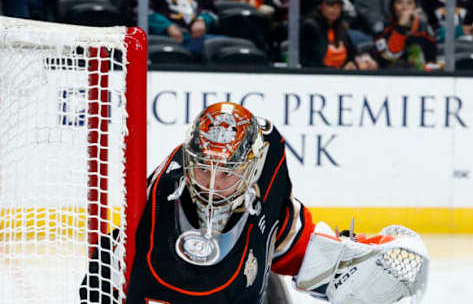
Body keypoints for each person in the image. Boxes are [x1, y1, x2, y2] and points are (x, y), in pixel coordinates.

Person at [80, 102, 429, 304]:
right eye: (203, 169)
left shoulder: (268, 166)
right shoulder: (134, 243)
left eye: (227, 174)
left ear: (251, 170)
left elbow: (284, 236)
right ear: (188, 162)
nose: (213, 186)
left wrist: (335, 265)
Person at [301, 0, 378, 70]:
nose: (335, 9)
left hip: (341, 75)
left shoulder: (341, 27)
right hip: (320, 76)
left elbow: (351, 53)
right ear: (320, 6)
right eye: (331, 5)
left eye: (338, 6)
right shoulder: (310, 27)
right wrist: (338, 70)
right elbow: (310, 61)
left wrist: (353, 63)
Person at [373, 0, 438, 70]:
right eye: (399, 2)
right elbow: (387, 59)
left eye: (409, 3)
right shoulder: (383, 28)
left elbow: (431, 61)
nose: (404, 7)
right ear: (392, 6)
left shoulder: (424, 29)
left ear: (415, 7)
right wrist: (401, 27)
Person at [148, 0, 224, 56]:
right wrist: (167, 26)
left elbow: (212, 12)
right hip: (162, 40)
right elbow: (143, 12)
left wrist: (202, 20)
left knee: (224, 44)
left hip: (193, 39)